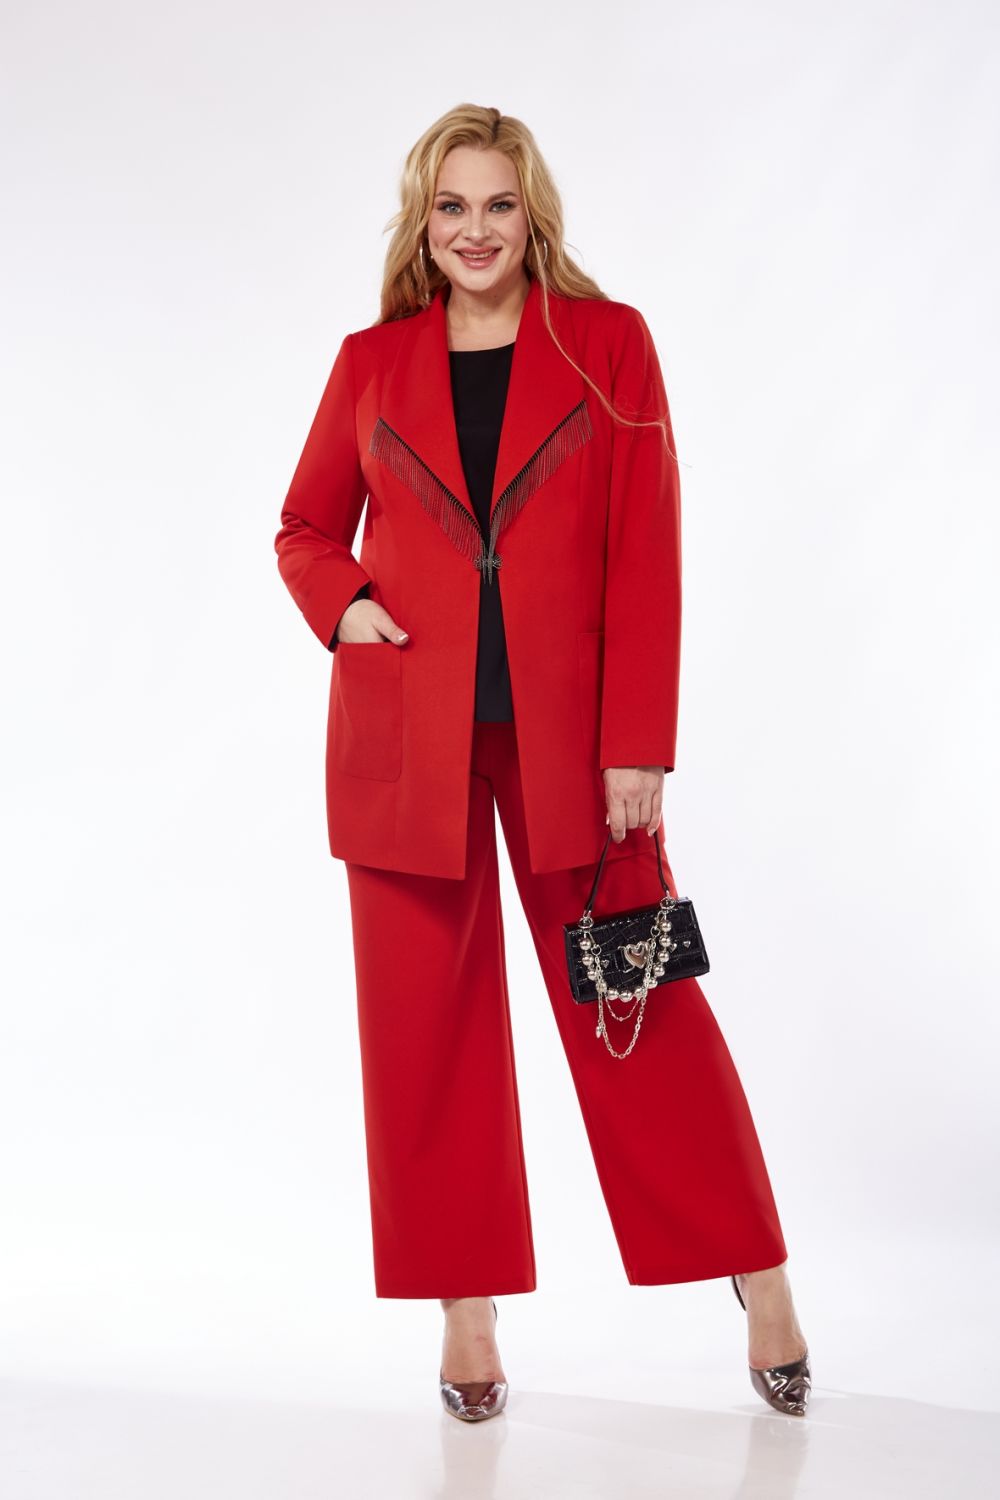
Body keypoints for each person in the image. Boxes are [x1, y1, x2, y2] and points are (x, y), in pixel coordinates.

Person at [274, 103, 810, 1420]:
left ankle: (759, 1271)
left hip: (577, 752)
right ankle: (465, 1315)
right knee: (427, 1044)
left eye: (498, 206)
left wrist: (639, 746)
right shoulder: (370, 363)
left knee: (641, 1011)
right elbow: (303, 527)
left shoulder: (607, 343)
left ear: (534, 215)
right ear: (424, 222)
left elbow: (648, 550)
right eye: (451, 207)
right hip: (408, 749)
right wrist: (348, 607)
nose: (476, 232)